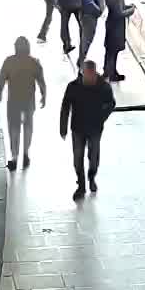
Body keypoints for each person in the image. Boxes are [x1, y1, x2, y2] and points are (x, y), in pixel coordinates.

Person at [60, 60, 117, 200]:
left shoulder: (103, 86)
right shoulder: (73, 87)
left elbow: (111, 103)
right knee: (77, 157)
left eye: (92, 74)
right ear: (82, 73)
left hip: (95, 128)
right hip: (77, 128)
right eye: (87, 74)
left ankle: (92, 177)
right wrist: (63, 127)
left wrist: (102, 117)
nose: (90, 77)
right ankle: (81, 185)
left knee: (93, 156)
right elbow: (65, 107)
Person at [0, 36, 47, 170]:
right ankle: (25, 153)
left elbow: (1, 78)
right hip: (28, 100)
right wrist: (44, 95)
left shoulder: (9, 61)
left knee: (14, 128)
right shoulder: (34, 62)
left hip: (13, 100)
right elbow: (41, 81)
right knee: (28, 126)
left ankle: (14, 157)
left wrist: (0, 91)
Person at [102, 0, 135, 81]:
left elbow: (118, 8)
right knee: (113, 50)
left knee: (110, 50)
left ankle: (109, 71)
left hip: (111, 24)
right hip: (116, 27)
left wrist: (128, 6)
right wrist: (132, 10)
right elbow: (119, 13)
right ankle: (111, 74)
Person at [76, 0, 105, 66]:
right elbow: (88, 1)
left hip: (88, 15)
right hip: (89, 16)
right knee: (87, 39)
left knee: (85, 38)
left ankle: (81, 59)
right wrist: (98, 11)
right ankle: (81, 62)